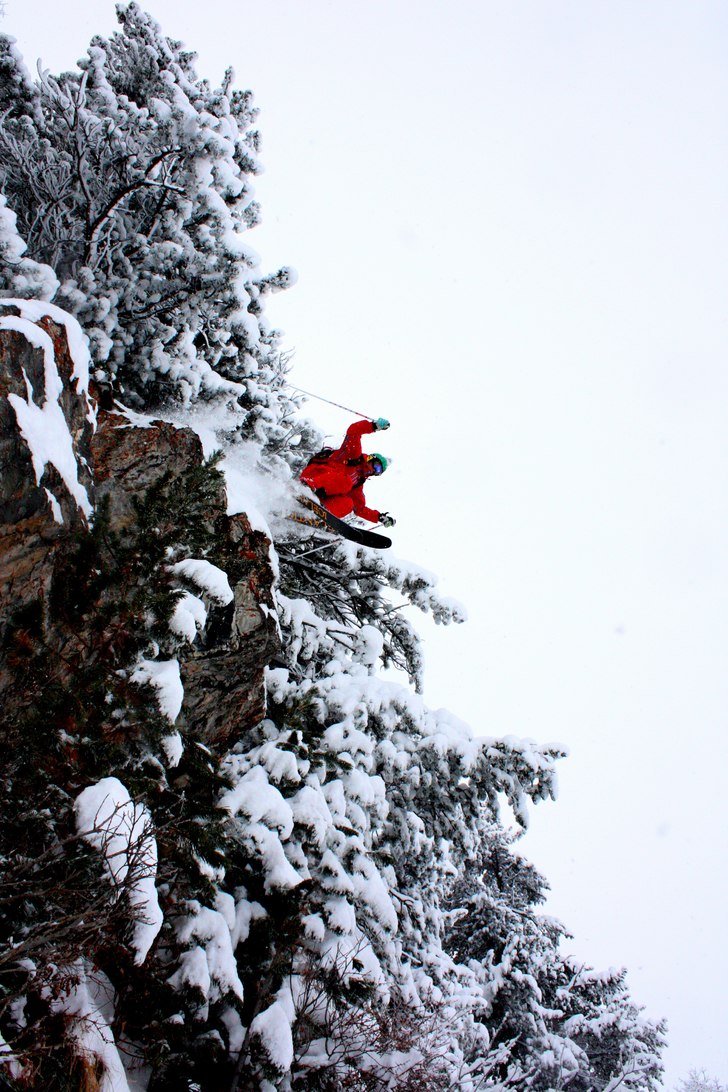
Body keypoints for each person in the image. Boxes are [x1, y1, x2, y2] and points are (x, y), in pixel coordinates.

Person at [300, 418, 396, 528]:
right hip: (314, 476)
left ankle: (320, 515)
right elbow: (354, 430)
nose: (375, 470)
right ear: (371, 458)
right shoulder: (354, 455)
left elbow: (360, 509)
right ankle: (308, 488)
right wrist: (373, 426)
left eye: (378, 471)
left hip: (321, 495)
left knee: (349, 504)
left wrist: (378, 517)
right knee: (346, 481)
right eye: (376, 466)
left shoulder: (358, 483)